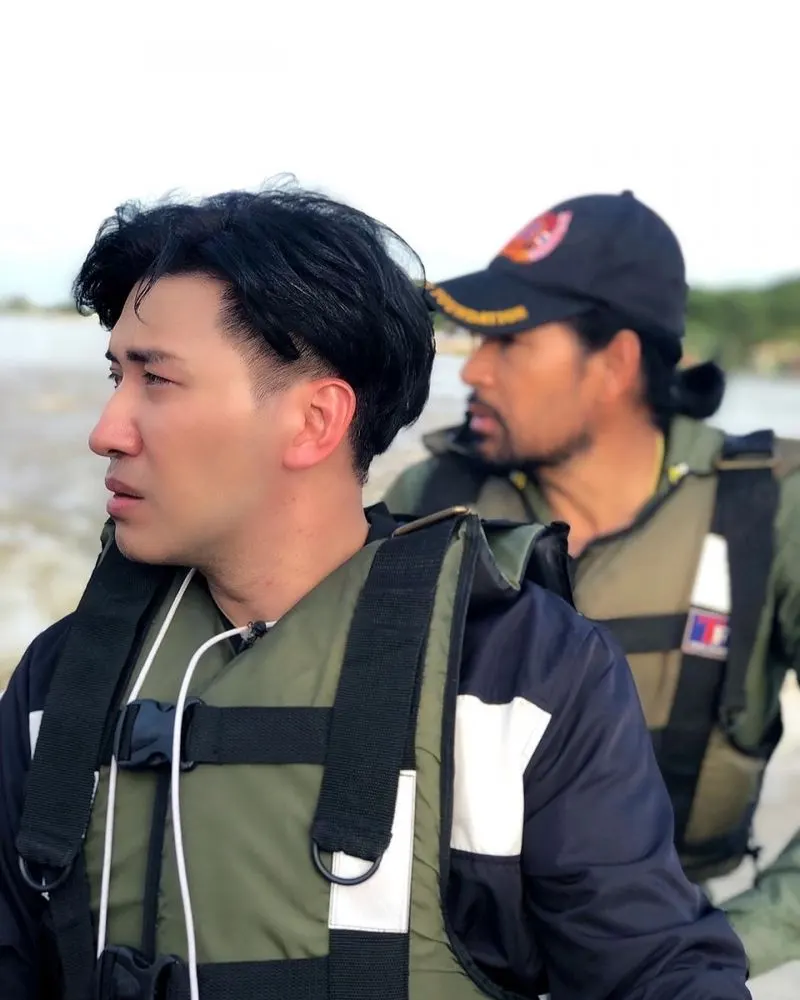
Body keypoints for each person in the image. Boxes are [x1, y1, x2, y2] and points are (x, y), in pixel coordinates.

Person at [0, 185, 750, 1000]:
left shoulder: (528, 677)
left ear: (315, 421)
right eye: (117, 374)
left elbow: (659, 974)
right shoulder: (59, 681)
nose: (105, 430)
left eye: (156, 380)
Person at [382, 190, 800, 973]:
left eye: (509, 342)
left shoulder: (771, 508)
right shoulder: (429, 499)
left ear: (616, 363)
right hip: (461, 954)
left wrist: (720, 951)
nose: (473, 368)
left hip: (685, 937)